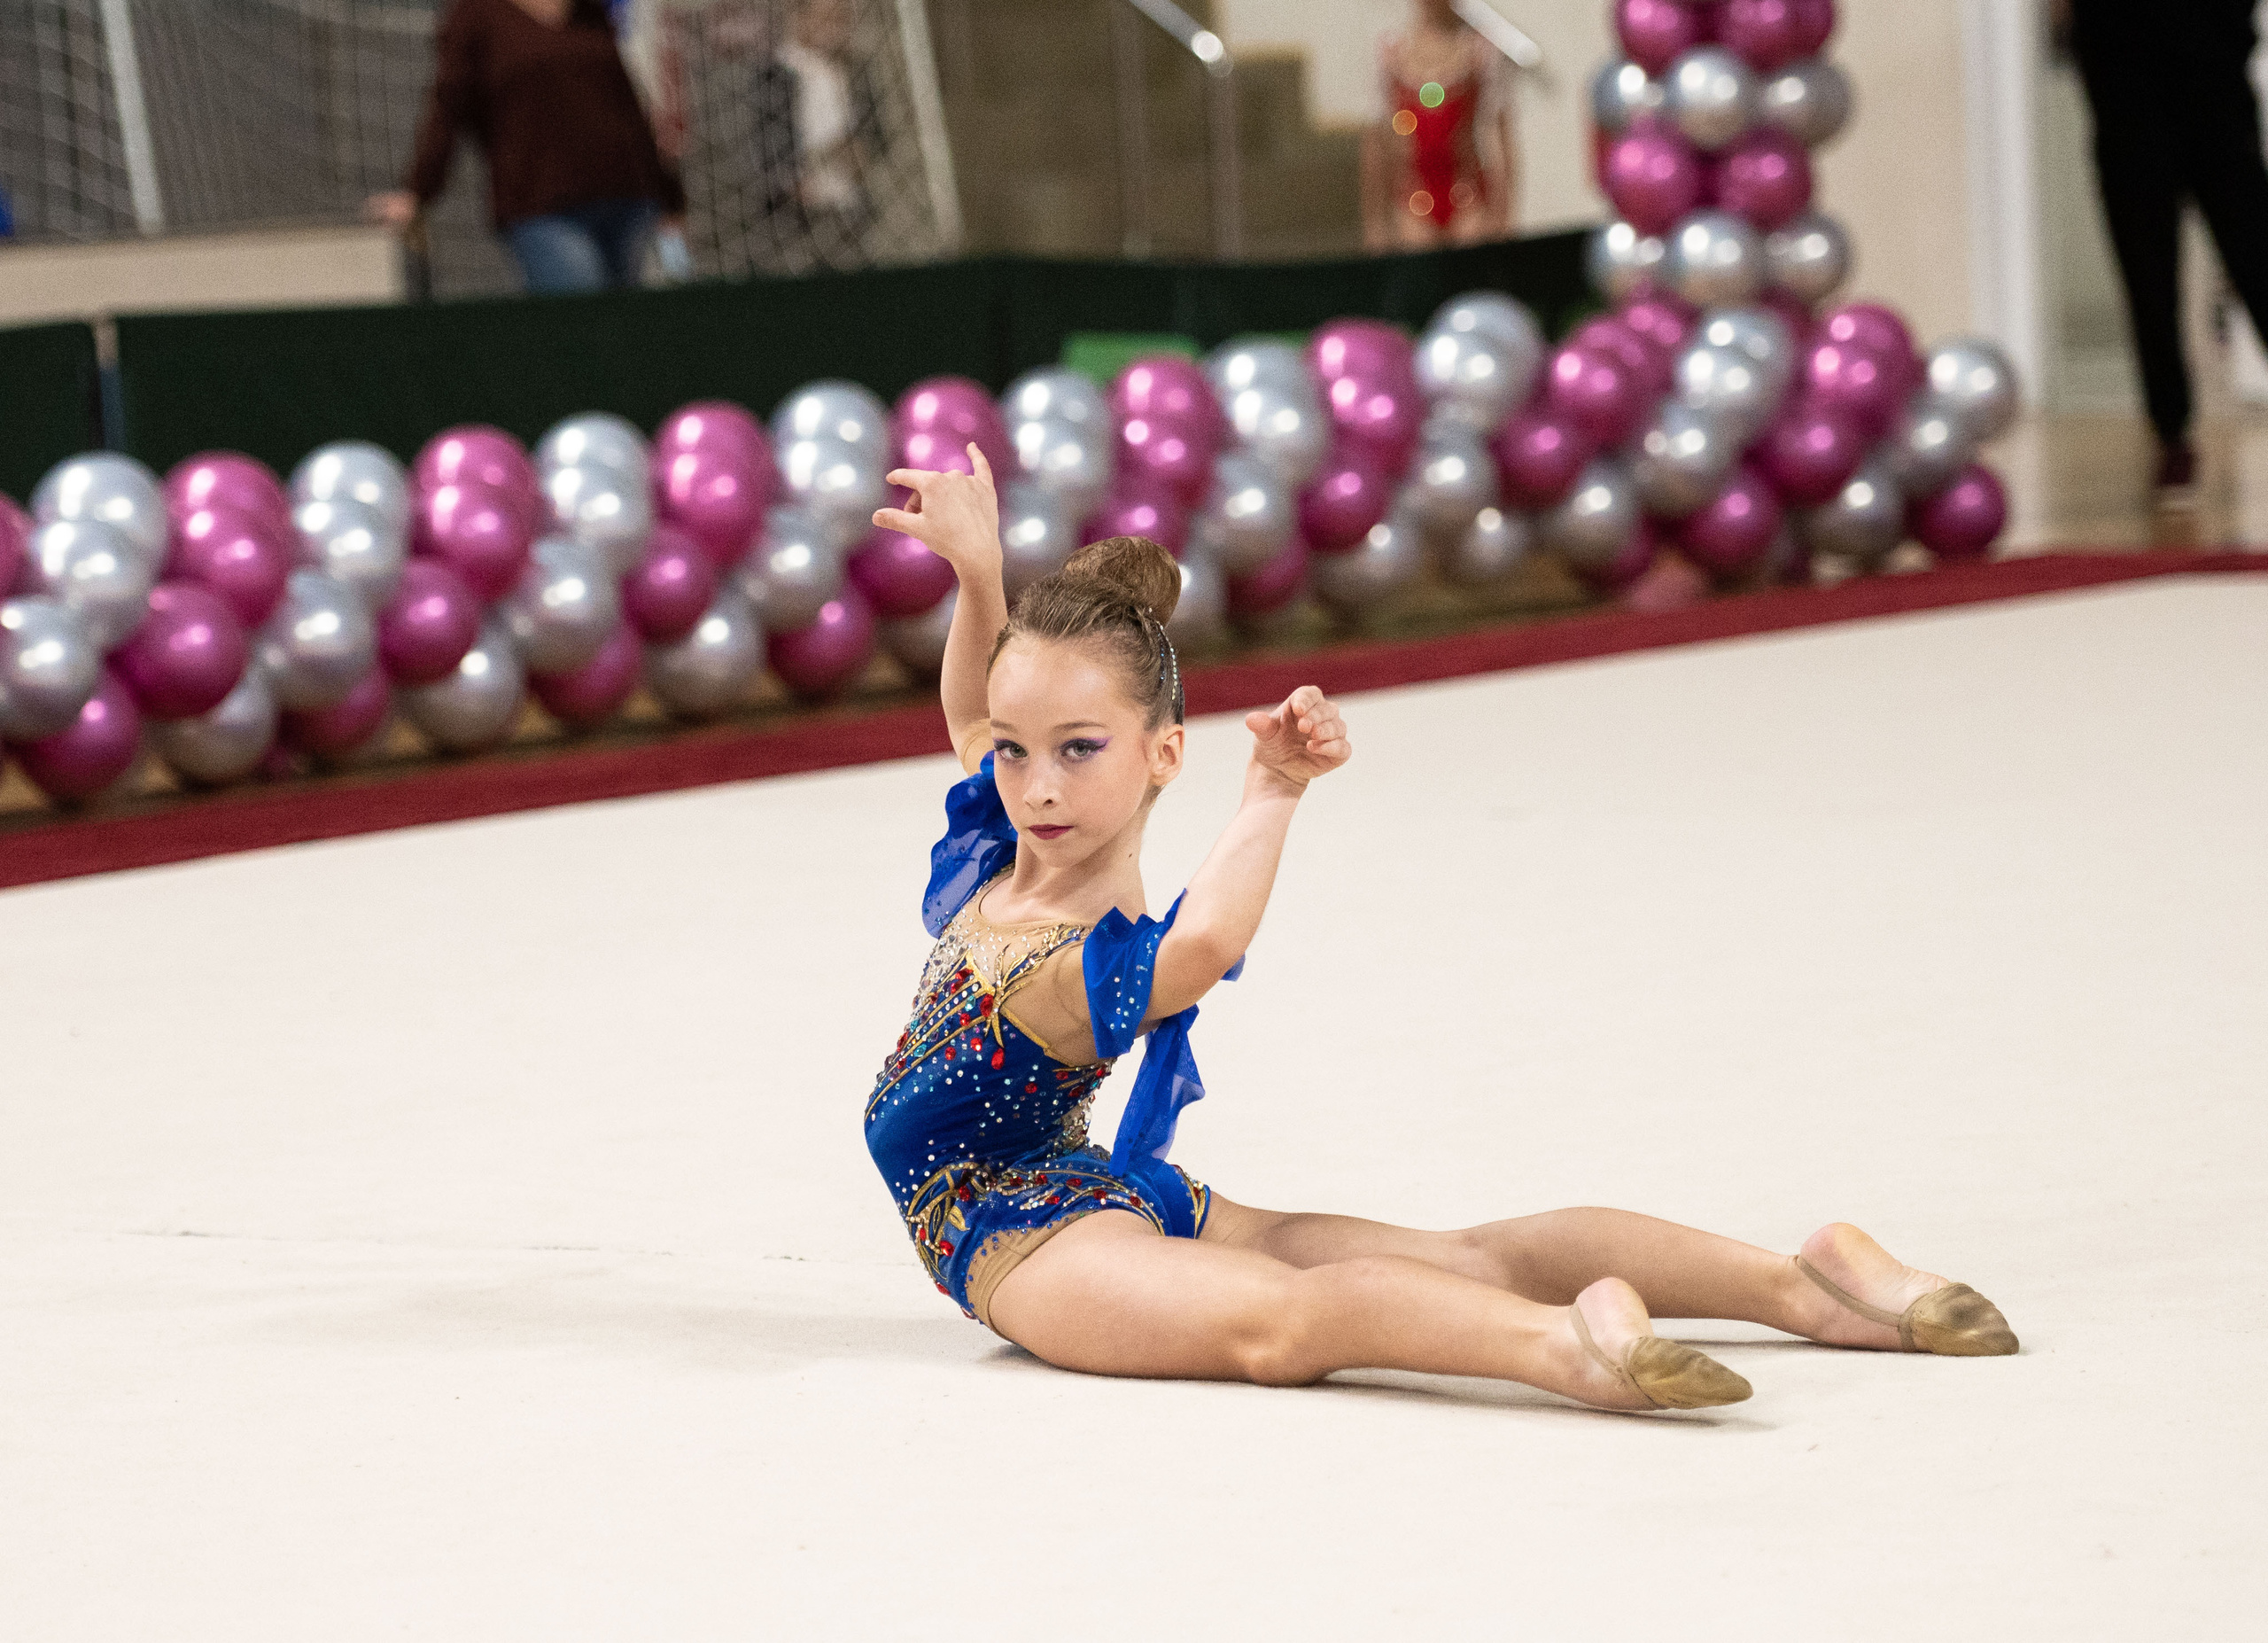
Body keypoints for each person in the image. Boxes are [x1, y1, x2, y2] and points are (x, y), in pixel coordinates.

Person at [862, 447, 2018, 1413]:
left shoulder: (1065, 957)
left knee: (1286, 1325)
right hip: (1092, 1194)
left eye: (1079, 748)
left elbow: (1199, 951)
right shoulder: (1002, 851)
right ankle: (1805, 1280)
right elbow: (975, 709)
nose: (1034, 782)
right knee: (1466, 1251)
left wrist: (1272, 789)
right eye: (1020, 752)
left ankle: (1566, 1348)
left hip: (1025, 1241)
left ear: (1165, 755)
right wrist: (979, 575)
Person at [2061, 0, 2268, 504]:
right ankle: (2172, 435)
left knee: (2258, 260)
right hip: (2127, 103)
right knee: (2148, 280)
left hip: (2215, 91)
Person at [368, 0, 687, 295]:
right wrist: (417, 191)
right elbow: (449, 108)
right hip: (541, 205)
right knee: (580, 326)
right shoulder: (478, 15)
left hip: (627, 199)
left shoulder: (589, 11)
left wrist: (670, 196)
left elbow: (627, 108)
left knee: (627, 334)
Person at [1363, 0, 1518, 252]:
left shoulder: (1481, 51)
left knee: (1468, 277)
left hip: (1467, 196)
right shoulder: (1391, 51)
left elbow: (1502, 140)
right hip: (1414, 198)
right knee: (1423, 280)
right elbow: (1375, 144)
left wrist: (1502, 215)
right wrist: (1375, 224)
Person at [751, 0, 882, 269]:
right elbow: (761, 147)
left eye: (841, 19)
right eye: (826, 17)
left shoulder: (855, 72)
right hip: (793, 214)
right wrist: (793, 180)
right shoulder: (774, 72)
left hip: (849, 211)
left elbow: (877, 139)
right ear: (800, 17)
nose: (834, 28)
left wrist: (860, 154)